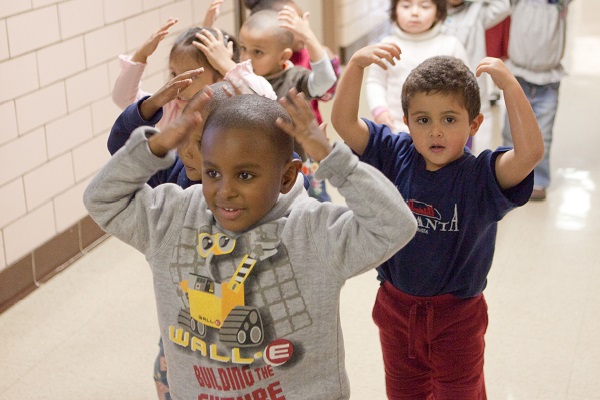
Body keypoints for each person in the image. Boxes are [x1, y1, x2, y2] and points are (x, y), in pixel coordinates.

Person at [84, 88, 418, 399]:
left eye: (245, 175)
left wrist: (334, 160)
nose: (225, 190)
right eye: (213, 172)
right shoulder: (172, 217)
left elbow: (395, 225)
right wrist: (152, 149)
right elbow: (102, 200)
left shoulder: (313, 231)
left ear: (287, 176)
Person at [331, 44, 543, 398]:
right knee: (403, 392)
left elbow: (530, 153)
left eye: (449, 119)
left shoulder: (482, 177)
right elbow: (344, 123)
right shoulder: (394, 152)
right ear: (407, 121)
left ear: (474, 123)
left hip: (457, 317)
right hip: (395, 309)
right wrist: (354, 66)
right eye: (423, 120)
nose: (435, 132)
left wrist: (510, 88)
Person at [243, 0, 342, 202]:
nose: (247, 57)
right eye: (243, 48)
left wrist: (309, 37)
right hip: (263, 161)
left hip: (300, 162)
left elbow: (325, 81)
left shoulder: (294, 78)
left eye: (257, 52)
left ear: (283, 56)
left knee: (315, 201)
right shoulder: (243, 77)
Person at [112, 16, 273, 131]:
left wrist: (225, 63)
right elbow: (124, 99)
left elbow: (265, 104)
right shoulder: (172, 108)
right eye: (174, 73)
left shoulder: (233, 108)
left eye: (193, 76)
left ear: (222, 76)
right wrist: (141, 55)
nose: (180, 84)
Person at [502, 0, 573, 201]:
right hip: (518, 77)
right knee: (511, 132)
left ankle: (539, 180)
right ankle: (509, 176)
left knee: (544, 134)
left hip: (548, 80)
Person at [365, 0, 469, 134]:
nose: (414, 13)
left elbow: (465, 88)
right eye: (406, 6)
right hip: (395, 129)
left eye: (424, 6)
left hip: (440, 132)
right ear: (395, 10)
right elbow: (375, 82)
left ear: (438, 12)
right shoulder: (386, 46)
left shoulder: (451, 45)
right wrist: (380, 111)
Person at [442, 0, 510, 153]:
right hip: (441, 85)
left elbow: (503, 6)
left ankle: (479, 167)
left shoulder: (477, 11)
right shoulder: (433, 11)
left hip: (474, 82)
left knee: (479, 117)